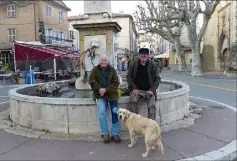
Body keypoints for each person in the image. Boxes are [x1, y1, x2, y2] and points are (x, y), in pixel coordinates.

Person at [89, 55, 121, 144]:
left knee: (115, 112)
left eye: (105, 60)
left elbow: (116, 82)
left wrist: (106, 90)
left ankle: (115, 133)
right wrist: (100, 89)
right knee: (101, 112)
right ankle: (105, 133)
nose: (103, 62)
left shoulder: (112, 70)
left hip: (111, 95)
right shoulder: (95, 70)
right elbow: (91, 80)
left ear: (108, 61)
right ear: (99, 61)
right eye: (102, 60)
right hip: (100, 95)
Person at [126, 48, 161, 120]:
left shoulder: (153, 65)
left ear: (148, 55)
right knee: (132, 104)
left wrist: (152, 90)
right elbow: (129, 77)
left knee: (152, 108)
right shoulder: (133, 64)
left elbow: (157, 79)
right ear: (139, 55)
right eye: (142, 55)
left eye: (145, 55)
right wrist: (134, 88)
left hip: (149, 90)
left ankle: (151, 126)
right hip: (137, 90)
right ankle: (135, 125)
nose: (143, 56)